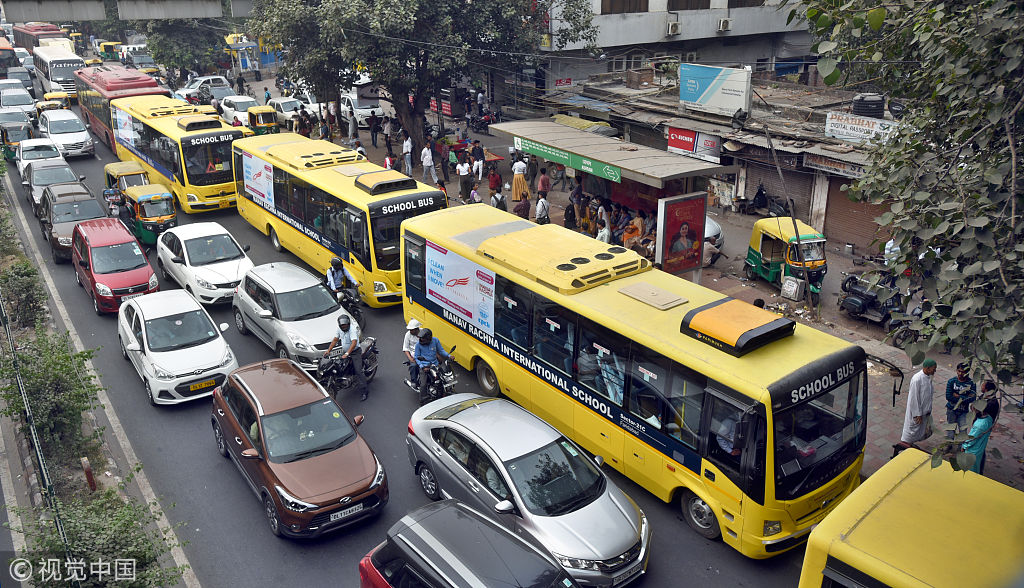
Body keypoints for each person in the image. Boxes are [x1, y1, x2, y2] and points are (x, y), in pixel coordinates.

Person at [324, 314, 368, 401]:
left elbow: (354, 342)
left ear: (348, 324)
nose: (344, 327)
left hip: (355, 352)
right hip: (345, 352)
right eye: (342, 325)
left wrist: (347, 353)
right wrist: (328, 350)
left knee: (358, 371)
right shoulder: (339, 329)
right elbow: (335, 340)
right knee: (339, 366)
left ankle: (364, 391)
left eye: (345, 325)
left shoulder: (352, 330)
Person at [901, 358, 937, 444]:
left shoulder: (928, 378)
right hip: (916, 413)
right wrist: (917, 414)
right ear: (927, 368)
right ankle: (904, 447)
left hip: (924, 412)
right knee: (910, 433)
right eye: (934, 368)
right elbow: (914, 398)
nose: (935, 371)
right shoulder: (917, 379)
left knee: (920, 431)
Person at [962, 398, 999, 474]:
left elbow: (971, 439)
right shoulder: (988, 419)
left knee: (970, 470)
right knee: (976, 468)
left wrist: (964, 446)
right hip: (980, 449)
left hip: (972, 451)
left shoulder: (979, 425)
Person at [414, 328, 450, 402]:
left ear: (428, 338)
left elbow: (441, 351)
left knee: (444, 378)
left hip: (435, 364)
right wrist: (422, 367)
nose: (421, 340)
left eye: (422, 338)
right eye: (420, 338)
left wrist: (449, 356)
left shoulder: (435, 340)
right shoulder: (418, 345)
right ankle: (422, 399)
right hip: (425, 366)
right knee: (423, 384)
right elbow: (416, 357)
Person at [945, 362, 977, 439]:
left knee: (963, 431)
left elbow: (972, 398)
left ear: (967, 373)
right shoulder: (951, 381)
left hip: (964, 412)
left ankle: (960, 447)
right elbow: (948, 396)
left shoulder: (971, 383)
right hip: (951, 409)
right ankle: (949, 445)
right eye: (959, 371)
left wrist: (958, 396)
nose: (960, 373)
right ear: (956, 370)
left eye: (963, 372)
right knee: (950, 429)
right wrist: (965, 397)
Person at [402, 319, 422, 389]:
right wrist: (410, 358)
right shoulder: (408, 335)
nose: (410, 331)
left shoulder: (424, 333)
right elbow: (405, 348)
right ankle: (414, 381)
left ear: (417, 329)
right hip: (413, 356)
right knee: (414, 366)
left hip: (425, 354)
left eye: (412, 330)